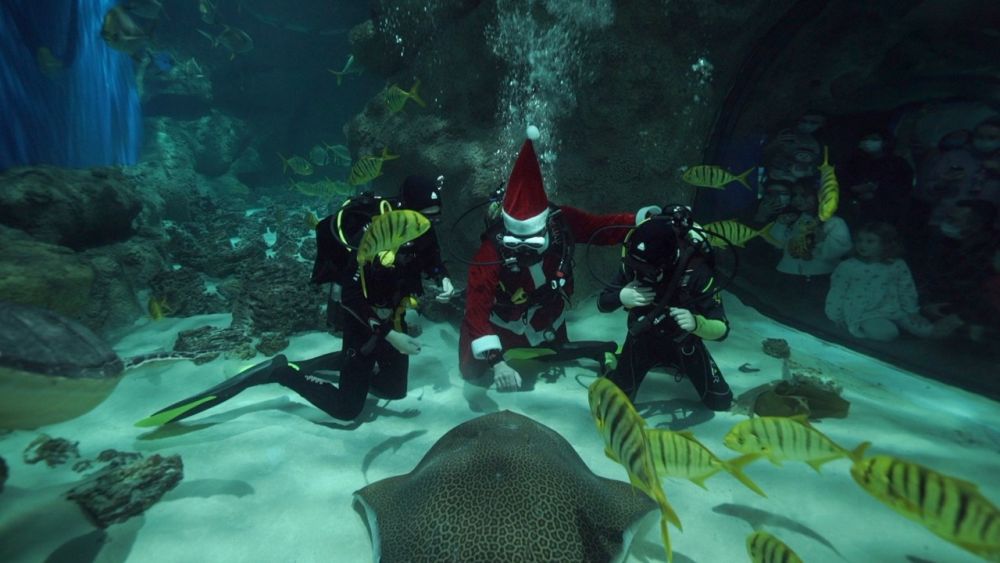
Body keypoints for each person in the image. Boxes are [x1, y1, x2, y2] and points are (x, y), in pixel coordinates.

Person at [140, 208, 431, 426]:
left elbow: (409, 284)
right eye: (428, 215)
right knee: (348, 411)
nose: (432, 224)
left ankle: (328, 365)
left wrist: (419, 298)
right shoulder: (373, 243)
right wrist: (390, 335)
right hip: (362, 327)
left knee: (393, 390)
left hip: (388, 325)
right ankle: (283, 372)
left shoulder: (414, 240)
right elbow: (350, 297)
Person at [459, 126, 658, 391]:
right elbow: (477, 308)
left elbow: (600, 228)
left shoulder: (560, 222)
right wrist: (497, 362)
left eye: (532, 238)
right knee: (470, 373)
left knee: (555, 354)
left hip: (546, 315)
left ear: (545, 225)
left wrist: (640, 222)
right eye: (516, 240)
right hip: (503, 321)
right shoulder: (490, 251)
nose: (524, 249)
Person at [597, 210, 733, 410]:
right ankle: (610, 358)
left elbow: (722, 329)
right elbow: (602, 304)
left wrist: (697, 324)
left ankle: (675, 364)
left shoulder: (696, 271)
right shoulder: (633, 264)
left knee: (721, 400)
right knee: (618, 407)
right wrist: (620, 296)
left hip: (684, 343)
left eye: (649, 271)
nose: (641, 274)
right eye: (636, 266)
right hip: (642, 340)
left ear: (668, 262)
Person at [310, 175, 454, 333]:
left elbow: (431, 256)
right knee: (358, 353)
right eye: (424, 217)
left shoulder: (421, 227)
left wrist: (443, 277)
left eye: (435, 219)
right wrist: (387, 335)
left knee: (396, 354)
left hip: (394, 309)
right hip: (361, 311)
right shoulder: (377, 230)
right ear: (408, 211)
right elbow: (350, 294)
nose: (428, 225)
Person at [824, 222, 937, 341]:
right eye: (860, 240)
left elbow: (906, 289)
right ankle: (870, 327)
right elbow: (837, 293)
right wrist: (836, 316)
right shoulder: (847, 266)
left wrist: (913, 311)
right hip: (864, 312)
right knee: (889, 333)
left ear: (886, 244)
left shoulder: (897, 264)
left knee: (926, 330)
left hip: (893, 309)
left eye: (870, 241)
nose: (863, 245)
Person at [766, 179, 852, 300]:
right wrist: (780, 224)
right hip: (788, 274)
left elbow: (839, 251)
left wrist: (822, 239)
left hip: (819, 277)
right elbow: (777, 243)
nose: (797, 199)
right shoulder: (793, 219)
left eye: (804, 195)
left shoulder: (835, 222)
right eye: (794, 195)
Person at [838, 131, 914, 228]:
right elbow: (844, 183)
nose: (868, 142)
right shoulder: (853, 162)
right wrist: (854, 190)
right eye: (865, 139)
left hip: (888, 213)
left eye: (874, 139)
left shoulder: (898, 163)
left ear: (885, 142)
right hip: (857, 211)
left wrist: (877, 190)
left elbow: (905, 187)